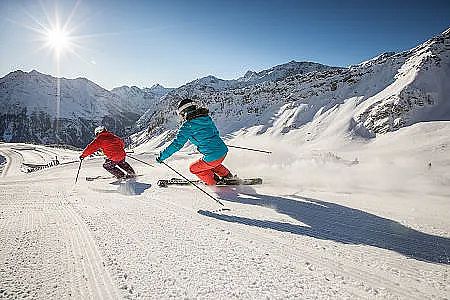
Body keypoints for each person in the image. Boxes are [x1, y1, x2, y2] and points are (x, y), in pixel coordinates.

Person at [156, 99, 234, 185]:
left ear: (185, 112)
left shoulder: (187, 126)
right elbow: (215, 133)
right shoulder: (206, 118)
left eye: (181, 114)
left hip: (213, 155)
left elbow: (176, 144)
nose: (182, 117)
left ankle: (214, 182)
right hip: (223, 150)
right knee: (210, 163)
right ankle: (227, 176)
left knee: (193, 168)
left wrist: (162, 156)